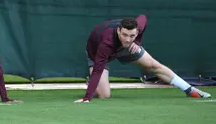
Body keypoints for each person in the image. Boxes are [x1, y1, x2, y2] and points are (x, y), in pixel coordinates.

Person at [74, 15, 211, 103]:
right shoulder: (106, 42)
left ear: (136, 32)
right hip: (97, 54)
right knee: (104, 95)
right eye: (125, 35)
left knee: (153, 65)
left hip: (124, 50)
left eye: (132, 35)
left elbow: (143, 18)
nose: (128, 39)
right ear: (118, 31)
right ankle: (92, 83)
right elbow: (98, 69)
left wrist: (137, 42)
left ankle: (189, 89)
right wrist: (87, 97)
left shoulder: (133, 35)